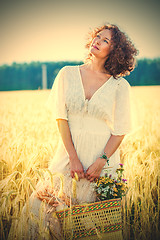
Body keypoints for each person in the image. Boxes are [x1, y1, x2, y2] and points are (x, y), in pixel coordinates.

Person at [18, 23, 138, 239]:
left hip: (101, 161)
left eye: (105, 40)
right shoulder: (67, 74)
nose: (97, 41)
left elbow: (120, 131)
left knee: (94, 227)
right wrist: (73, 158)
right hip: (67, 157)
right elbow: (61, 118)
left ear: (115, 50)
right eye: (97, 37)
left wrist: (101, 161)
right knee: (45, 215)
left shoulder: (119, 86)